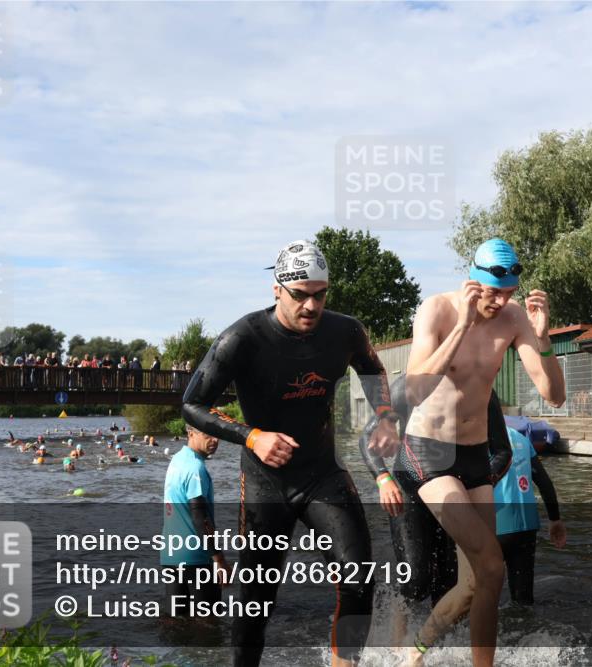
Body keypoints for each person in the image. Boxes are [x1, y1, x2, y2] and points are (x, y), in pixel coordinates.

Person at [182, 239, 399, 667]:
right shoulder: (242, 338)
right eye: (299, 294)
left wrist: (387, 416)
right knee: (255, 601)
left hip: (322, 473)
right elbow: (191, 404)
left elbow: (373, 368)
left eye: (320, 294)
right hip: (266, 483)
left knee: (359, 578)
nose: (311, 306)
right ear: (277, 290)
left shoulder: (345, 330)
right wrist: (252, 437)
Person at [402, 238, 565, 666]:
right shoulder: (436, 309)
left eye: (508, 292)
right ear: (472, 279)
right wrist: (460, 327)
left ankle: (413, 652)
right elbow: (415, 391)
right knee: (494, 565)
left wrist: (543, 338)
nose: (500, 302)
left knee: (477, 582)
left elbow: (555, 395)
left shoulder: (513, 319)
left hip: (475, 457)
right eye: (493, 292)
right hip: (429, 452)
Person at [358, 375, 511, 647]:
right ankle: (396, 644)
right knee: (417, 580)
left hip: (456, 495)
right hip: (411, 489)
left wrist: (480, 484)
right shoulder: (408, 385)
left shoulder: (481, 385)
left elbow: (502, 452)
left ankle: (435, 648)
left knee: (449, 582)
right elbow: (368, 438)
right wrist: (382, 478)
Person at [495, 426, 566, 605]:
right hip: (527, 526)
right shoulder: (521, 438)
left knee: (482, 594)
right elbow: (545, 484)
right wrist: (555, 519)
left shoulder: (475, 435)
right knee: (523, 599)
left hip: (494, 524)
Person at [161, 424, 226, 616]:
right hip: (195, 557)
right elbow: (200, 517)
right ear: (190, 433)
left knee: (177, 622)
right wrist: (219, 560)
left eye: (217, 435)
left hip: (170, 555)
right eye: (208, 434)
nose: (214, 440)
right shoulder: (196, 468)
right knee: (208, 624)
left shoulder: (176, 461)